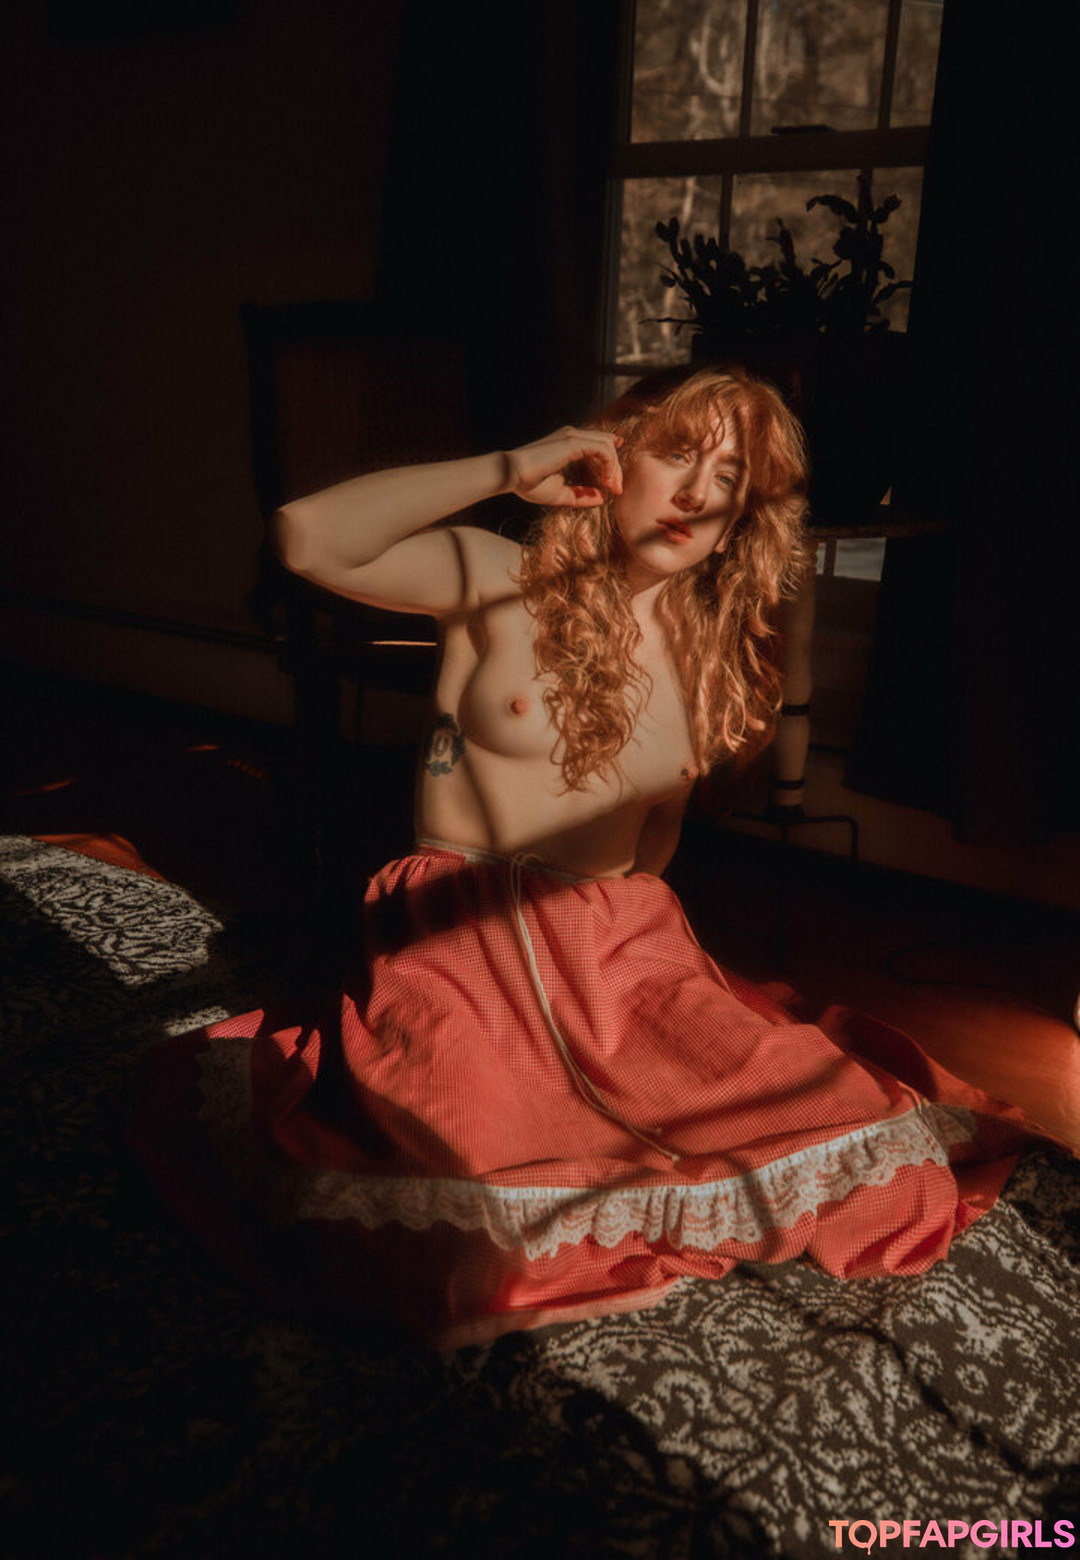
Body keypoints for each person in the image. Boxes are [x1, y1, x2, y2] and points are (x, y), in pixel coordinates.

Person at [131, 368, 1051, 1348]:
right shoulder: (500, 577)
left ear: (738, 521)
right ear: (612, 458)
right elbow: (305, 537)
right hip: (456, 943)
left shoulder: (710, 658)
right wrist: (507, 467)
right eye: (678, 454)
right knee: (456, 1237)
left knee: (873, 1160)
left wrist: (662, 1010)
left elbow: (654, 851)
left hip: (622, 952)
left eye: (728, 478)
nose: (696, 491)